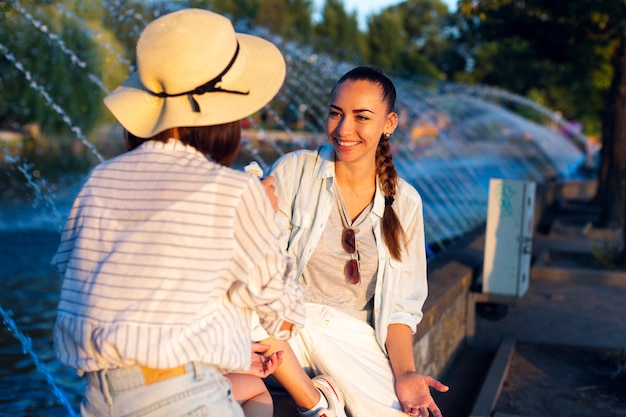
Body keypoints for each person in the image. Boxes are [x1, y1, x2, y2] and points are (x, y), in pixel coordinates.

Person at [51, 8, 305, 417]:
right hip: (185, 396)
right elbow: (283, 312)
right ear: (227, 116)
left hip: (102, 398)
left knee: (250, 389)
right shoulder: (235, 191)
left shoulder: (101, 178)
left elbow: (77, 278)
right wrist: (268, 218)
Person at [260, 66, 449, 417]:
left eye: (362, 117)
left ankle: (325, 390)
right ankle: (316, 402)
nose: (344, 129)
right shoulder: (294, 171)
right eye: (336, 114)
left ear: (389, 123)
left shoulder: (405, 203)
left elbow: (400, 308)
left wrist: (406, 373)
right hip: (285, 325)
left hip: (350, 336)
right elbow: (258, 262)